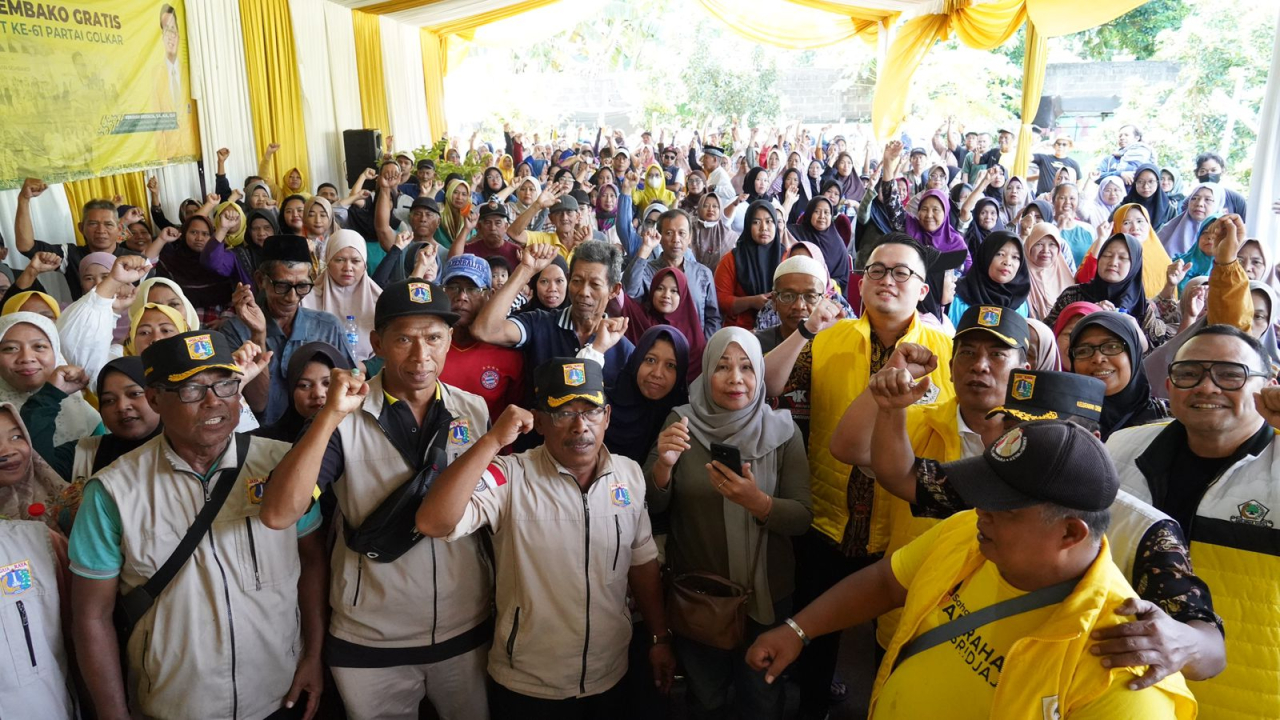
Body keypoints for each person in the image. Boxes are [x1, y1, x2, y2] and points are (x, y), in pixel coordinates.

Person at [746, 420, 1197, 719]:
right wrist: (798, 629)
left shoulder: (1124, 673)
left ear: (1071, 534)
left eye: (1005, 509)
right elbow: (888, 581)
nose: (981, 511)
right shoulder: (968, 533)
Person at [856, 367, 1228, 689]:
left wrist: (1184, 642)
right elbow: (902, 476)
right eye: (1011, 426)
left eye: (1044, 431)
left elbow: (1212, 652)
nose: (1019, 444)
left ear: (1091, 442)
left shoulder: (1145, 529)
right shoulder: (993, 481)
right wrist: (892, 410)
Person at [261, 278, 494, 720]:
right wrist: (329, 415)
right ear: (376, 342)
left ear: (449, 340)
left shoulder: (474, 410)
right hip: (370, 636)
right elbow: (278, 512)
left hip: (466, 624)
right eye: (404, 338)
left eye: (433, 338)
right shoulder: (346, 416)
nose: (421, 356)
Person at [69, 330, 326, 720]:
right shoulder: (112, 492)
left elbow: (312, 562)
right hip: (175, 706)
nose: (213, 402)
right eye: (191, 389)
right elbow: (91, 617)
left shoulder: (284, 465)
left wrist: (313, 655)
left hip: (278, 694)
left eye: (225, 385)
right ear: (155, 398)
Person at [760, 235, 954, 720]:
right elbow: (765, 386)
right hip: (828, 522)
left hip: (906, 534)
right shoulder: (827, 339)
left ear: (923, 289)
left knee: (893, 651)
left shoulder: (949, 353)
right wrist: (805, 330)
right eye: (876, 271)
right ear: (860, 283)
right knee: (813, 643)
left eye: (900, 272)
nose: (887, 280)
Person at [414, 357, 676, 715]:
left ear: (608, 417)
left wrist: (659, 638)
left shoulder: (628, 475)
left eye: (591, 411)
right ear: (538, 421)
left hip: (610, 673)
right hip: (528, 683)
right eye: (563, 412)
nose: (580, 426)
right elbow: (433, 522)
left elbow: (642, 562)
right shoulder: (511, 476)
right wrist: (493, 440)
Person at [831, 304, 1033, 648]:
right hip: (911, 618)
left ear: (1024, 372)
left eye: (997, 354)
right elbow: (847, 447)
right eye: (967, 352)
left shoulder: (1041, 445)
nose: (980, 365)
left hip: (997, 635)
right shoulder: (912, 421)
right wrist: (888, 382)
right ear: (951, 369)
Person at [1108, 324, 1280, 718]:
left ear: (1268, 385)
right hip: (1127, 688)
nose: (1207, 387)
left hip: (1246, 696)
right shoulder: (1122, 449)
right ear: (1168, 384)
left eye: (1230, 374)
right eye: (1189, 373)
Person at [644, 328, 812, 718]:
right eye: (722, 367)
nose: (736, 378)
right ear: (705, 372)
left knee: (762, 698)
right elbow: (651, 504)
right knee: (707, 698)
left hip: (767, 593)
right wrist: (663, 468)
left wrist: (759, 503)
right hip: (700, 595)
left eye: (746, 367)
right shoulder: (681, 423)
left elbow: (802, 518)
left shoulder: (784, 432)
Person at [222, 235, 355, 425]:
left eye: (301, 286)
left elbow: (348, 392)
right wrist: (258, 335)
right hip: (259, 440)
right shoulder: (235, 330)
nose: (292, 297)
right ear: (261, 280)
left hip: (321, 432)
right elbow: (258, 405)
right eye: (282, 285)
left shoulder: (327, 327)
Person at [473, 242, 634, 391]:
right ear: (569, 280)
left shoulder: (624, 351)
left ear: (614, 290)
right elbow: (485, 330)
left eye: (595, 285)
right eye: (577, 281)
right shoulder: (539, 323)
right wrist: (526, 270)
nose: (584, 292)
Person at [1044, 234, 1175, 352]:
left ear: (1135, 265)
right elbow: (1047, 333)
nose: (1113, 263)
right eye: (1107, 255)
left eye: (1123, 258)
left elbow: (1158, 353)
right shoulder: (1072, 295)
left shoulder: (1143, 308)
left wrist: (1132, 328)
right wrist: (1087, 313)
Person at [438, 255, 526, 420]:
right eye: (453, 287)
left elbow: (516, 415)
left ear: (490, 295)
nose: (462, 296)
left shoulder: (509, 353)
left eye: (472, 289)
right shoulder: (428, 347)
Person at [0, 312, 101, 448]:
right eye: (11, 348)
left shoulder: (85, 417)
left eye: (39, 347)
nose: (26, 357)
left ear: (56, 352)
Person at [1068, 311, 1169, 439]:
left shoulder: (1167, 418)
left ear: (1133, 353)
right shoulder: (1060, 422)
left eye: (1112, 346)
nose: (1098, 358)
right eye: (1083, 351)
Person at [625, 209, 721, 339]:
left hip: (695, 351)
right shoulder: (647, 270)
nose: (676, 239)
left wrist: (705, 348)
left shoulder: (703, 274)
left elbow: (713, 318)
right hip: (657, 345)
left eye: (682, 233)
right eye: (669, 233)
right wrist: (646, 248)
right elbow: (630, 291)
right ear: (659, 236)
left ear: (689, 238)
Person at [603, 325, 690, 464]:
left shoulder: (682, 422)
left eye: (670, 365)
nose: (657, 373)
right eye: (650, 360)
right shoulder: (602, 408)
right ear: (636, 360)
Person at [302, 229, 382, 362]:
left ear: (364, 265)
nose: (347, 267)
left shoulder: (380, 300)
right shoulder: (306, 298)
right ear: (328, 260)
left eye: (355, 261)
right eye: (339, 260)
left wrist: (366, 368)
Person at [618, 267, 706, 378]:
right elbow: (617, 294)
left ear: (683, 295)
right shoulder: (638, 316)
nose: (666, 295)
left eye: (674, 291)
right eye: (660, 288)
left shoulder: (694, 334)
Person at [256, 341, 350, 443]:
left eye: (327, 383)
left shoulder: (360, 435)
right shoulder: (265, 442)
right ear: (291, 391)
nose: (318, 394)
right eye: (304, 385)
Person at [716, 201, 785, 330]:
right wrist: (751, 302)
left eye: (769, 221)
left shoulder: (787, 257)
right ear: (747, 225)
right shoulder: (732, 259)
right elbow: (721, 300)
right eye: (756, 222)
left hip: (781, 330)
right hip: (741, 330)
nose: (763, 227)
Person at [948, 231, 1031, 325]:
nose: (1007, 262)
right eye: (1000, 254)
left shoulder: (1020, 300)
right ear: (986, 256)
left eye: (1015, 257)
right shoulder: (955, 294)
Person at [1157, 183, 1225, 257]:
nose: (1199, 203)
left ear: (1218, 204)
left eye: (1208, 199)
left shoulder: (1224, 235)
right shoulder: (1169, 230)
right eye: (1194, 198)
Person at [1024, 223, 1076, 320]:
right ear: (1029, 246)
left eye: (1052, 244)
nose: (1046, 250)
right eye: (1039, 244)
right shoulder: (1019, 275)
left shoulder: (1065, 274)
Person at [1191, 151, 1247, 217]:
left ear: (1222, 172)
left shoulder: (1236, 199)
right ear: (1197, 174)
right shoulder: (1191, 199)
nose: (1209, 174)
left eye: (1213, 170)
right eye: (1203, 171)